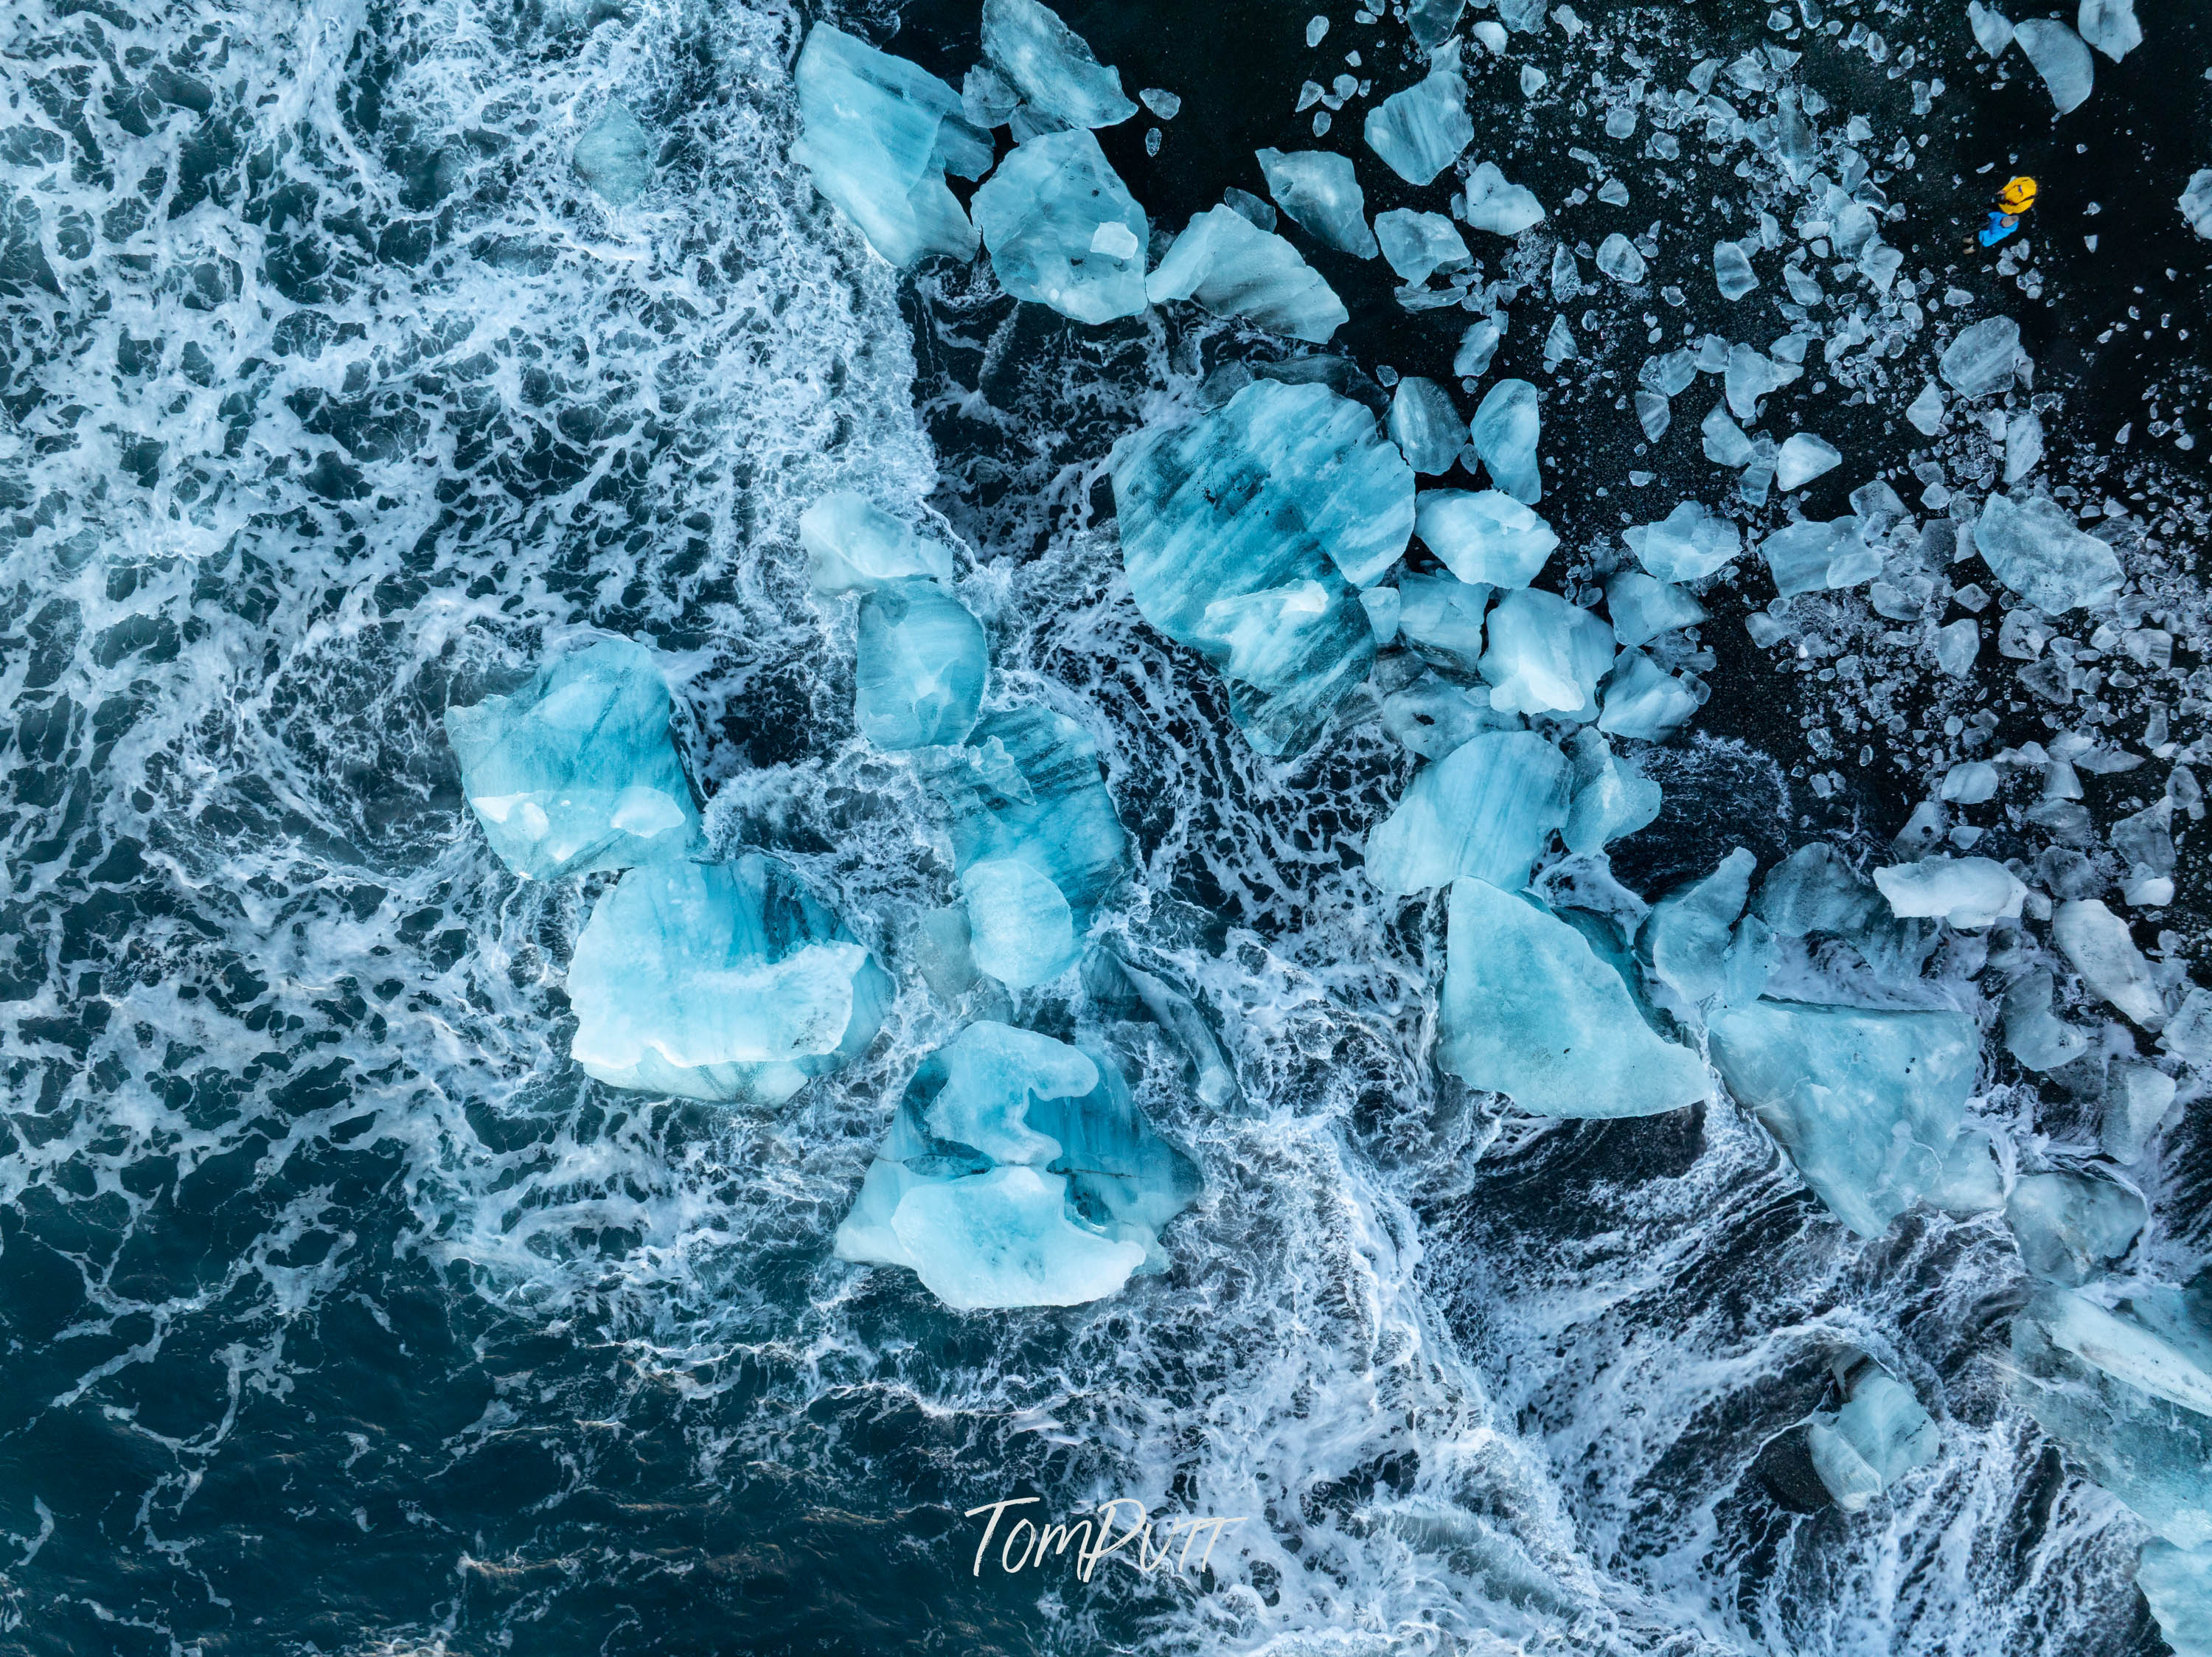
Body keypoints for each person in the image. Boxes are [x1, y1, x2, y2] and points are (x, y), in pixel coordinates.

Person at [1975, 176, 2038, 249]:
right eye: (2019, 188)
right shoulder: (2027, 181)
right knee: (1990, 210)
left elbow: (2017, 209)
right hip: (2001, 200)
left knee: (1976, 242)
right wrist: (2004, 191)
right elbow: (2015, 182)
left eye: (2020, 191)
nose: (2018, 190)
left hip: (2005, 209)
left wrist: (2003, 203)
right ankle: (1979, 220)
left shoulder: (2027, 202)